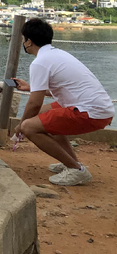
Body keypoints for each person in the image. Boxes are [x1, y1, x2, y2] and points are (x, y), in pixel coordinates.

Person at [14, 18, 114, 186]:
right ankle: (71, 163)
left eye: (24, 39)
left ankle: (77, 170)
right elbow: (58, 89)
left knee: (29, 127)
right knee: (43, 116)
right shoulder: (57, 54)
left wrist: (20, 126)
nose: (23, 43)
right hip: (98, 108)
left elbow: (34, 104)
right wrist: (30, 87)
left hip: (89, 112)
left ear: (29, 41)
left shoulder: (39, 62)